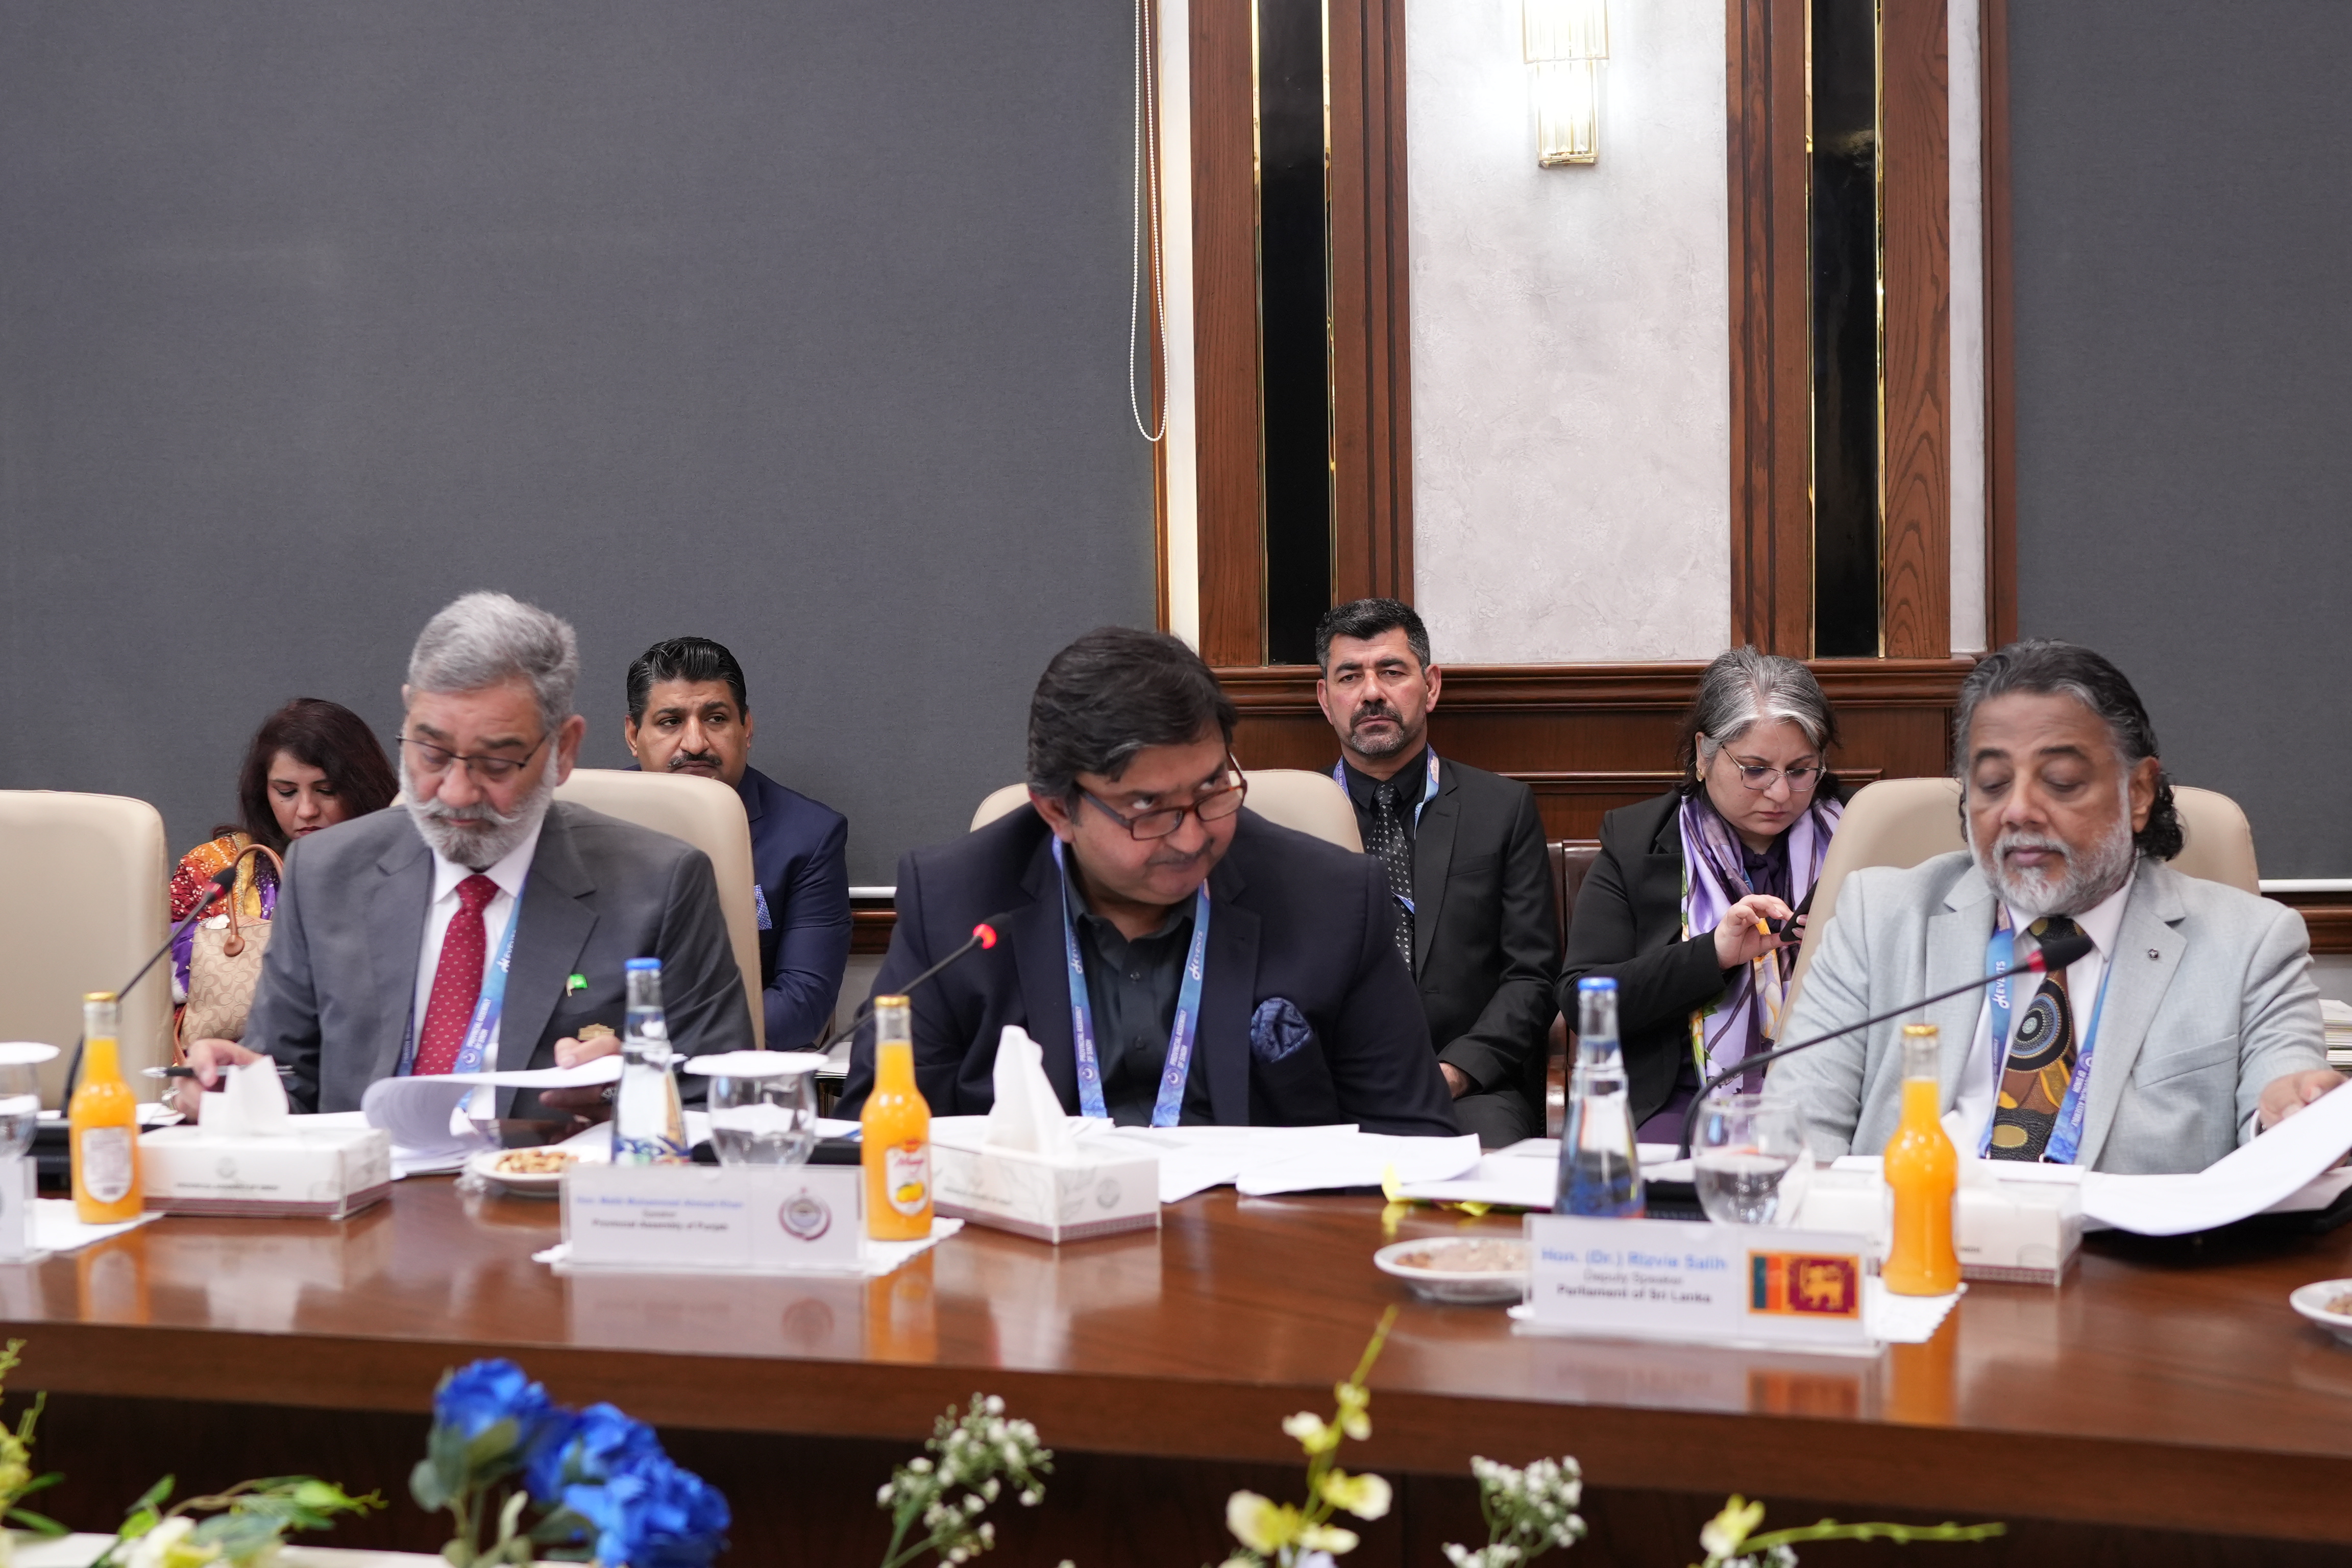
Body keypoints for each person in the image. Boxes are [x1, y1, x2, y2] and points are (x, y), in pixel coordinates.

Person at [834, 626, 1458, 1135]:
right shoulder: (955, 903)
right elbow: (875, 1135)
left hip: (1255, 1239)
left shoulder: (1332, 899)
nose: (1191, 838)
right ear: (1057, 810)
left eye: (1212, 789)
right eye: (1147, 809)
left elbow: (1415, 1137)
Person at [176, 592, 753, 1119]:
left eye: (496, 762)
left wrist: (634, 1089)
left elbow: (722, 1107)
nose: (455, 793)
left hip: (548, 1190)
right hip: (365, 1191)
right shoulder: (326, 874)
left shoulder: (661, 886)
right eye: (431, 753)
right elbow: (287, 1088)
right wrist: (233, 1094)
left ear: (564, 750)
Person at [1773, 640, 2337, 1174]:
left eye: (2062, 782)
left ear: (2139, 792)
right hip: (1913, 1233)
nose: (2019, 810)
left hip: (2125, 1246)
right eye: (1993, 783)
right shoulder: (1879, 918)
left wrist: (2293, 1122)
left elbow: (2284, 1111)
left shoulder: (2252, 945)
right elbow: (1794, 1135)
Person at [1560, 648, 1847, 1141]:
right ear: (1704, 754)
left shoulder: (1855, 836)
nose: (1781, 794)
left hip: (1834, 1092)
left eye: (1801, 770)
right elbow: (1583, 1000)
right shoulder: (1637, 841)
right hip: (1684, 1098)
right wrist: (1711, 954)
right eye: (1755, 769)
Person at [1312, 599, 1556, 1146]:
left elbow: (1532, 976)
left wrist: (1455, 1073)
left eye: (1392, 672)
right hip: (1328, 1085)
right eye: (1350, 677)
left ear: (1431, 686)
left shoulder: (1502, 809)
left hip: (1469, 1085)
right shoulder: (1292, 817)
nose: (1372, 693)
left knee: (1490, 1174)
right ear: (1326, 699)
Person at [622, 637, 851, 1048]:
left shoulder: (810, 836)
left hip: (737, 1068)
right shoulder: (586, 822)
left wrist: (653, 1042)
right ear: (633, 735)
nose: (695, 743)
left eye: (716, 719)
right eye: (671, 722)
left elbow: (802, 1004)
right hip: (598, 1067)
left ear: (746, 728)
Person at [168, 698, 399, 1016]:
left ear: (361, 787)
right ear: (263, 791)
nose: (307, 810)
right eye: (286, 792)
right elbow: (156, 983)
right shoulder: (214, 868)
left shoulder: (403, 866)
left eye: (327, 790)